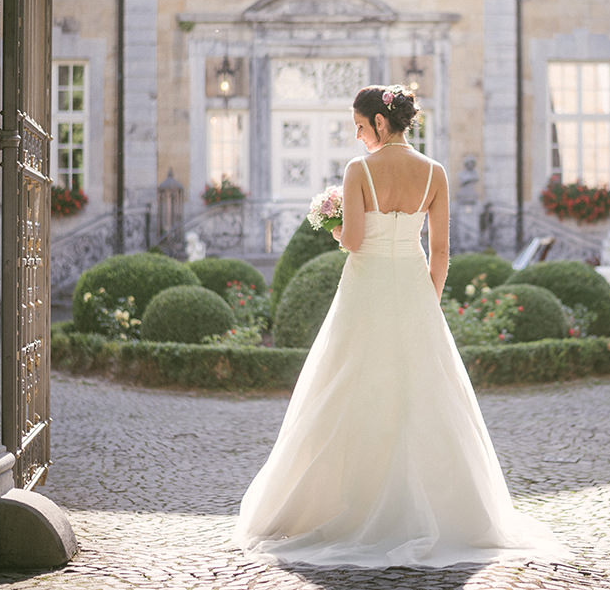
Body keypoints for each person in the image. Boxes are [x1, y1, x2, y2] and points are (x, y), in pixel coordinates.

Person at [233, 84, 566, 568]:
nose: (359, 136)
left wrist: (333, 220)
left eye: (362, 127)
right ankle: (444, 512)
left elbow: (353, 240)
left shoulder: (358, 170)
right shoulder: (434, 172)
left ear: (382, 123)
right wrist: (425, 303)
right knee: (424, 395)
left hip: (365, 290)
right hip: (413, 287)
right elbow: (442, 252)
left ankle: (338, 505)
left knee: (346, 386)